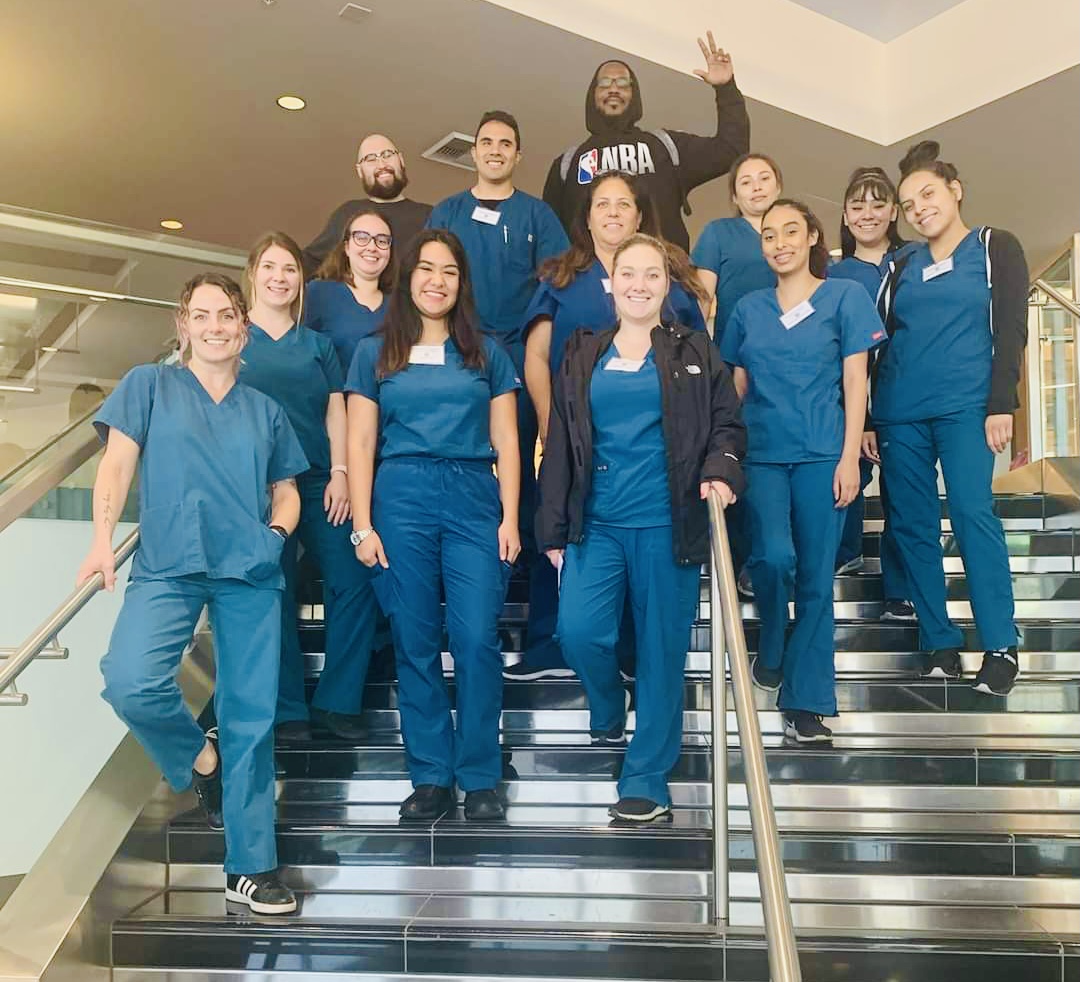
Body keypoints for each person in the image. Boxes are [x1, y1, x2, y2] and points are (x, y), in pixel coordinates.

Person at [79, 273, 308, 914]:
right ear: (183, 325)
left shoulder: (265, 410)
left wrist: (274, 534)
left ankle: (251, 867)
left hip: (250, 570)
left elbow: (287, 490)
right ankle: (200, 762)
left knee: (251, 719)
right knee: (130, 679)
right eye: (201, 315)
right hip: (169, 562)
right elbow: (118, 464)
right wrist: (102, 538)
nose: (215, 326)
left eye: (227, 315)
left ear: (244, 327)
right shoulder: (148, 386)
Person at [537, 233, 745, 821]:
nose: (639, 285)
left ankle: (647, 778)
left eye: (652, 275)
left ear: (667, 284)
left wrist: (721, 473)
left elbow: (726, 426)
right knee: (578, 633)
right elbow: (561, 444)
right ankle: (607, 704)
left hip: (666, 522)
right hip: (596, 523)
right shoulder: (583, 353)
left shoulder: (694, 350)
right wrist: (552, 529)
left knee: (660, 652)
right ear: (611, 281)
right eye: (628, 273)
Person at [345, 229, 522, 822]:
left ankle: (479, 775)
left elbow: (507, 440)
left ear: (461, 283)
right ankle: (431, 777)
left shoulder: (487, 353)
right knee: (414, 641)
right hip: (401, 497)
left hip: (474, 497)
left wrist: (512, 517)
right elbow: (361, 439)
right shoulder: (374, 352)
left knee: (475, 639)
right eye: (425, 269)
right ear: (408, 276)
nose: (436, 281)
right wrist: (362, 526)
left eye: (449, 271)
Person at [509, 170, 707, 681]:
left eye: (624, 204)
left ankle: (629, 657)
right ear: (588, 216)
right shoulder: (560, 277)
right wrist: (554, 426)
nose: (614, 212)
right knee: (556, 530)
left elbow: (701, 365)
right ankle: (548, 644)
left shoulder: (673, 279)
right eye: (603, 204)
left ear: (640, 216)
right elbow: (535, 355)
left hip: (650, 452)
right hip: (572, 440)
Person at [870, 141, 1027, 695]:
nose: (918, 210)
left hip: (966, 407)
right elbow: (878, 342)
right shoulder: (901, 264)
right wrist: (869, 417)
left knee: (970, 514)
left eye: (927, 195)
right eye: (908, 204)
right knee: (912, 525)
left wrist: (1001, 402)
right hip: (898, 413)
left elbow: (1010, 328)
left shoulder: (993, 246)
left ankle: (1001, 644)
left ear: (955, 191)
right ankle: (938, 641)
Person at [721, 200, 882, 744]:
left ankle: (807, 701)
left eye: (792, 231)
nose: (780, 242)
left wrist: (848, 458)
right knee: (771, 555)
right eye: (770, 235)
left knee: (815, 576)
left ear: (813, 235)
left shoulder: (845, 297)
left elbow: (856, 381)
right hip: (762, 455)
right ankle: (771, 636)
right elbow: (736, 388)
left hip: (822, 454)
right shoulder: (747, 308)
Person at [426, 110, 568, 685]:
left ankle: (542, 639)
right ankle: (443, 628)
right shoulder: (448, 213)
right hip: (457, 364)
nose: (494, 151)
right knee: (457, 487)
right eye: (485, 142)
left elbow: (557, 282)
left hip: (521, 362)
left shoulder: (539, 215)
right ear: (474, 151)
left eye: (506, 143)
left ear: (517, 154)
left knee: (533, 495)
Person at [239, 231, 379, 743]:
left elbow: (335, 410)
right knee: (270, 593)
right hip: (256, 490)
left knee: (356, 580)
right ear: (253, 273)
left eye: (290, 269)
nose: (280, 277)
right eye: (271, 267)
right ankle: (287, 709)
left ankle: (338, 701)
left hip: (320, 480)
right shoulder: (232, 339)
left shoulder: (318, 345)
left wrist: (341, 472)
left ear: (303, 281)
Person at [543, 32, 750, 253]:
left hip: (664, 278)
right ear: (592, 95)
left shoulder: (666, 147)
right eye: (605, 83)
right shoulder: (567, 164)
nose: (614, 88)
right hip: (591, 282)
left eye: (623, 83)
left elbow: (730, 149)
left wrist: (726, 89)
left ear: (635, 94)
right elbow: (548, 239)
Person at [829, 166, 915, 620]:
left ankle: (900, 587)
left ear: (894, 211)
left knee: (903, 495)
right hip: (851, 402)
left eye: (878, 203)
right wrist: (862, 419)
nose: (867, 214)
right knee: (846, 483)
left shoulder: (914, 261)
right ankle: (844, 554)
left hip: (905, 397)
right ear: (844, 213)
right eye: (858, 205)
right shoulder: (831, 273)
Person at [302, 133, 431, 275]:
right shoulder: (348, 213)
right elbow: (309, 263)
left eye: (387, 155)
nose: (382, 165)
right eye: (370, 159)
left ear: (401, 159)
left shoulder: (431, 216)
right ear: (360, 171)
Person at [692, 152, 782, 347]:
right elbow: (702, 299)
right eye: (746, 182)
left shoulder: (799, 233)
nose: (757, 187)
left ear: (778, 187)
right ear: (734, 196)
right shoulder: (717, 232)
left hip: (791, 348)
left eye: (764, 178)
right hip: (734, 348)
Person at [304, 207, 393, 373]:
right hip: (333, 397)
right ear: (346, 247)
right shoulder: (319, 293)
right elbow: (302, 355)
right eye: (361, 238)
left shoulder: (401, 303)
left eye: (381, 240)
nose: (372, 247)